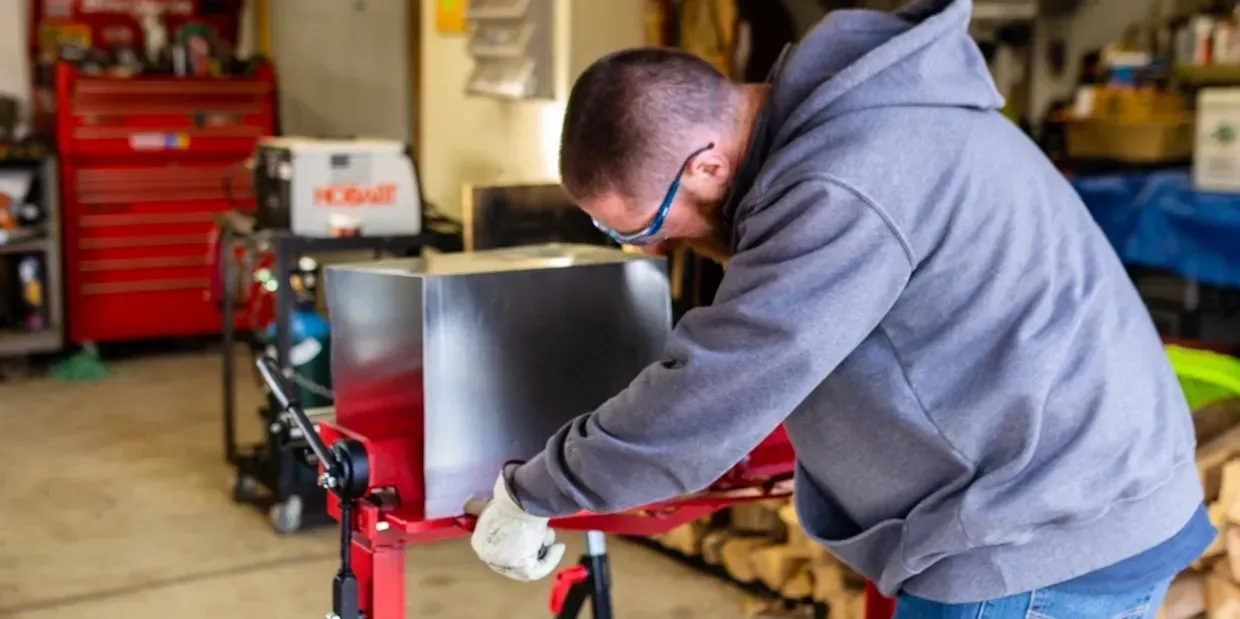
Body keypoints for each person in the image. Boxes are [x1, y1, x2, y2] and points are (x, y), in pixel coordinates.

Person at [469, 0, 1214, 616]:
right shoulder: (879, 118)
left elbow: (720, 386)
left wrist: (534, 489)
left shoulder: (840, 181)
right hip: (1099, 497)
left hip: (1033, 542)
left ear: (705, 166)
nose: (648, 252)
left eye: (643, 227)